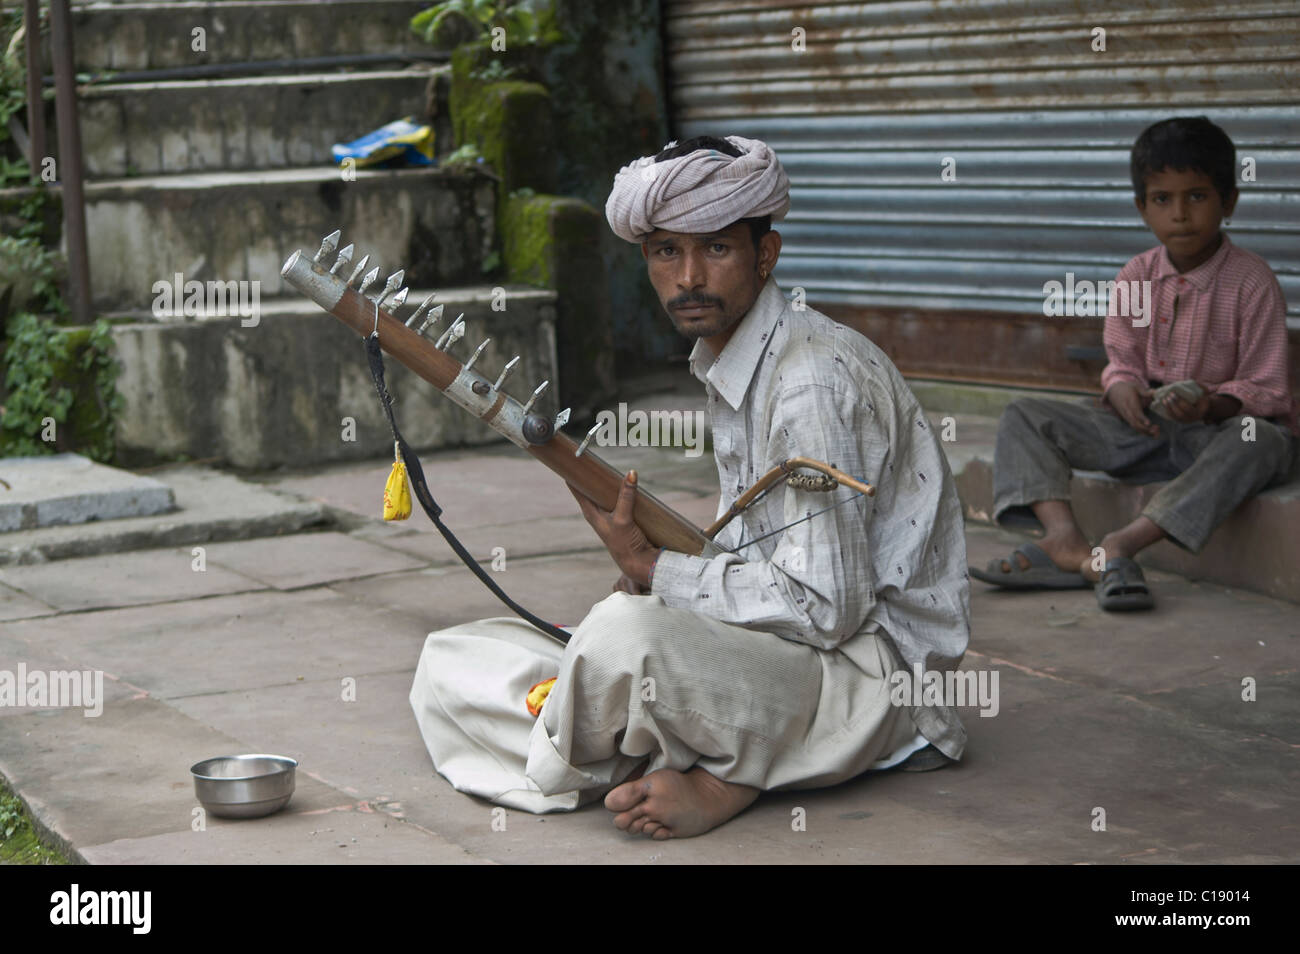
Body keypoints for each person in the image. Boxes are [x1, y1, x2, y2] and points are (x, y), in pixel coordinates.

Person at [410, 134, 971, 839]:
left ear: (765, 257)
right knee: (452, 654)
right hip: (805, 657)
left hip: (875, 683)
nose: (688, 277)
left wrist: (658, 573)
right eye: (665, 252)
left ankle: (713, 772)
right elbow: (762, 557)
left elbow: (828, 608)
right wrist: (654, 579)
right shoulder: (736, 358)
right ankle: (690, 750)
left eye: (717, 249)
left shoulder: (808, 385)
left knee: (619, 639)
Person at [971, 116, 1297, 610]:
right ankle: (1064, 539)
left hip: (1214, 437)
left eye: (1198, 196)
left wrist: (1210, 406)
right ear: (1142, 209)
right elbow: (1121, 359)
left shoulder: (1252, 282)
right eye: (1163, 199)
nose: (1181, 214)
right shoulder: (1136, 276)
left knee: (1266, 443)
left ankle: (1122, 544)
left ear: (1229, 201)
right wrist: (1121, 388)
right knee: (1024, 414)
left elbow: (1268, 389)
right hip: (1142, 430)